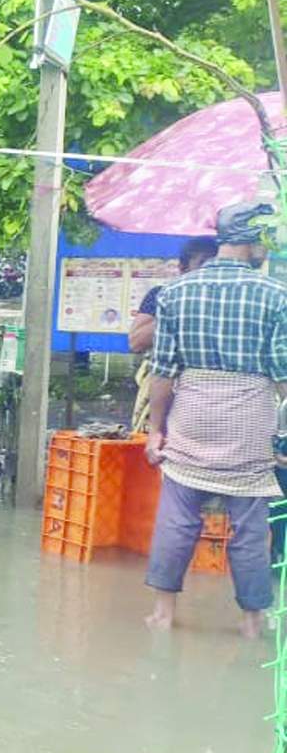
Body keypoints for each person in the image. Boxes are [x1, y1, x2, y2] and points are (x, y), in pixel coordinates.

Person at [144, 202, 286, 637]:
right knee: (250, 530)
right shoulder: (276, 295)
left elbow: (162, 372)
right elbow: (283, 375)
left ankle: (162, 615)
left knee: (176, 520)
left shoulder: (175, 293)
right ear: (253, 240)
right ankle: (251, 622)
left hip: (191, 418)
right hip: (249, 422)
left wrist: (155, 430)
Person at [128, 238, 218, 354]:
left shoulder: (230, 298)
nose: (211, 270)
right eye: (203, 263)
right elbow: (136, 343)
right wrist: (184, 308)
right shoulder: (162, 294)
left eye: (216, 264)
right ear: (183, 268)